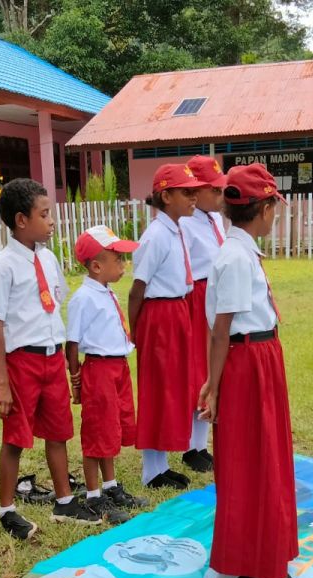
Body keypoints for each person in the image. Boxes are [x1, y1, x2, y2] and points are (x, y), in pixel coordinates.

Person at [0, 178, 102, 539]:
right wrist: (2, 382)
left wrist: (66, 361)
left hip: (51, 358)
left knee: (58, 431)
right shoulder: (3, 267)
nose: (51, 221)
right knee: (16, 437)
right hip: (22, 362)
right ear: (21, 220)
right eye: (44, 214)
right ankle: (7, 509)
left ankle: (64, 501)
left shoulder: (47, 259)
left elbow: (54, 308)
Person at [199, 163, 298, 578]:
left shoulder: (241, 252)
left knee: (265, 455)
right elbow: (221, 330)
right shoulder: (236, 257)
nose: (276, 216)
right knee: (248, 460)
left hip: (258, 356)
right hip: (246, 361)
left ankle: (267, 554)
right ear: (262, 210)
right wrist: (214, 386)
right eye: (274, 207)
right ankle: (252, 562)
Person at [128, 163, 209, 489]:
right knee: (158, 389)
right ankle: (152, 470)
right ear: (165, 195)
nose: (193, 198)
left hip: (177, 310)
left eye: (194, 191)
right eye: (186, 192)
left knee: (174, 388)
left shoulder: (175, 230)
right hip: (159, 315)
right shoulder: (156, 236)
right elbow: (138, 289)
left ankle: (161, 464)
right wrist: (135, 331)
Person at [65, 225, 148, 523]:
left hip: (117, 368)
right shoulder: (83, 299)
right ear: (97, 266)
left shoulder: (105, 292)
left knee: (111, 428)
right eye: (118, 259)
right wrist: (76, 381)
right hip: (98, 370)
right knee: (96, 433)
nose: (123, 264)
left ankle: (111, 486)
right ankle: (93, 495)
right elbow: (71, 344)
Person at [180, 154, 228, 473]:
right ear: (196, 192)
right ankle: (191, 446)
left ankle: (203, 442)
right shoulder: (184, 223)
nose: (220, 195)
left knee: (217, 364)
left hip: (220, 293)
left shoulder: (216, 220)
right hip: (197, 295)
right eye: (215, 189)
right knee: (200, 366)